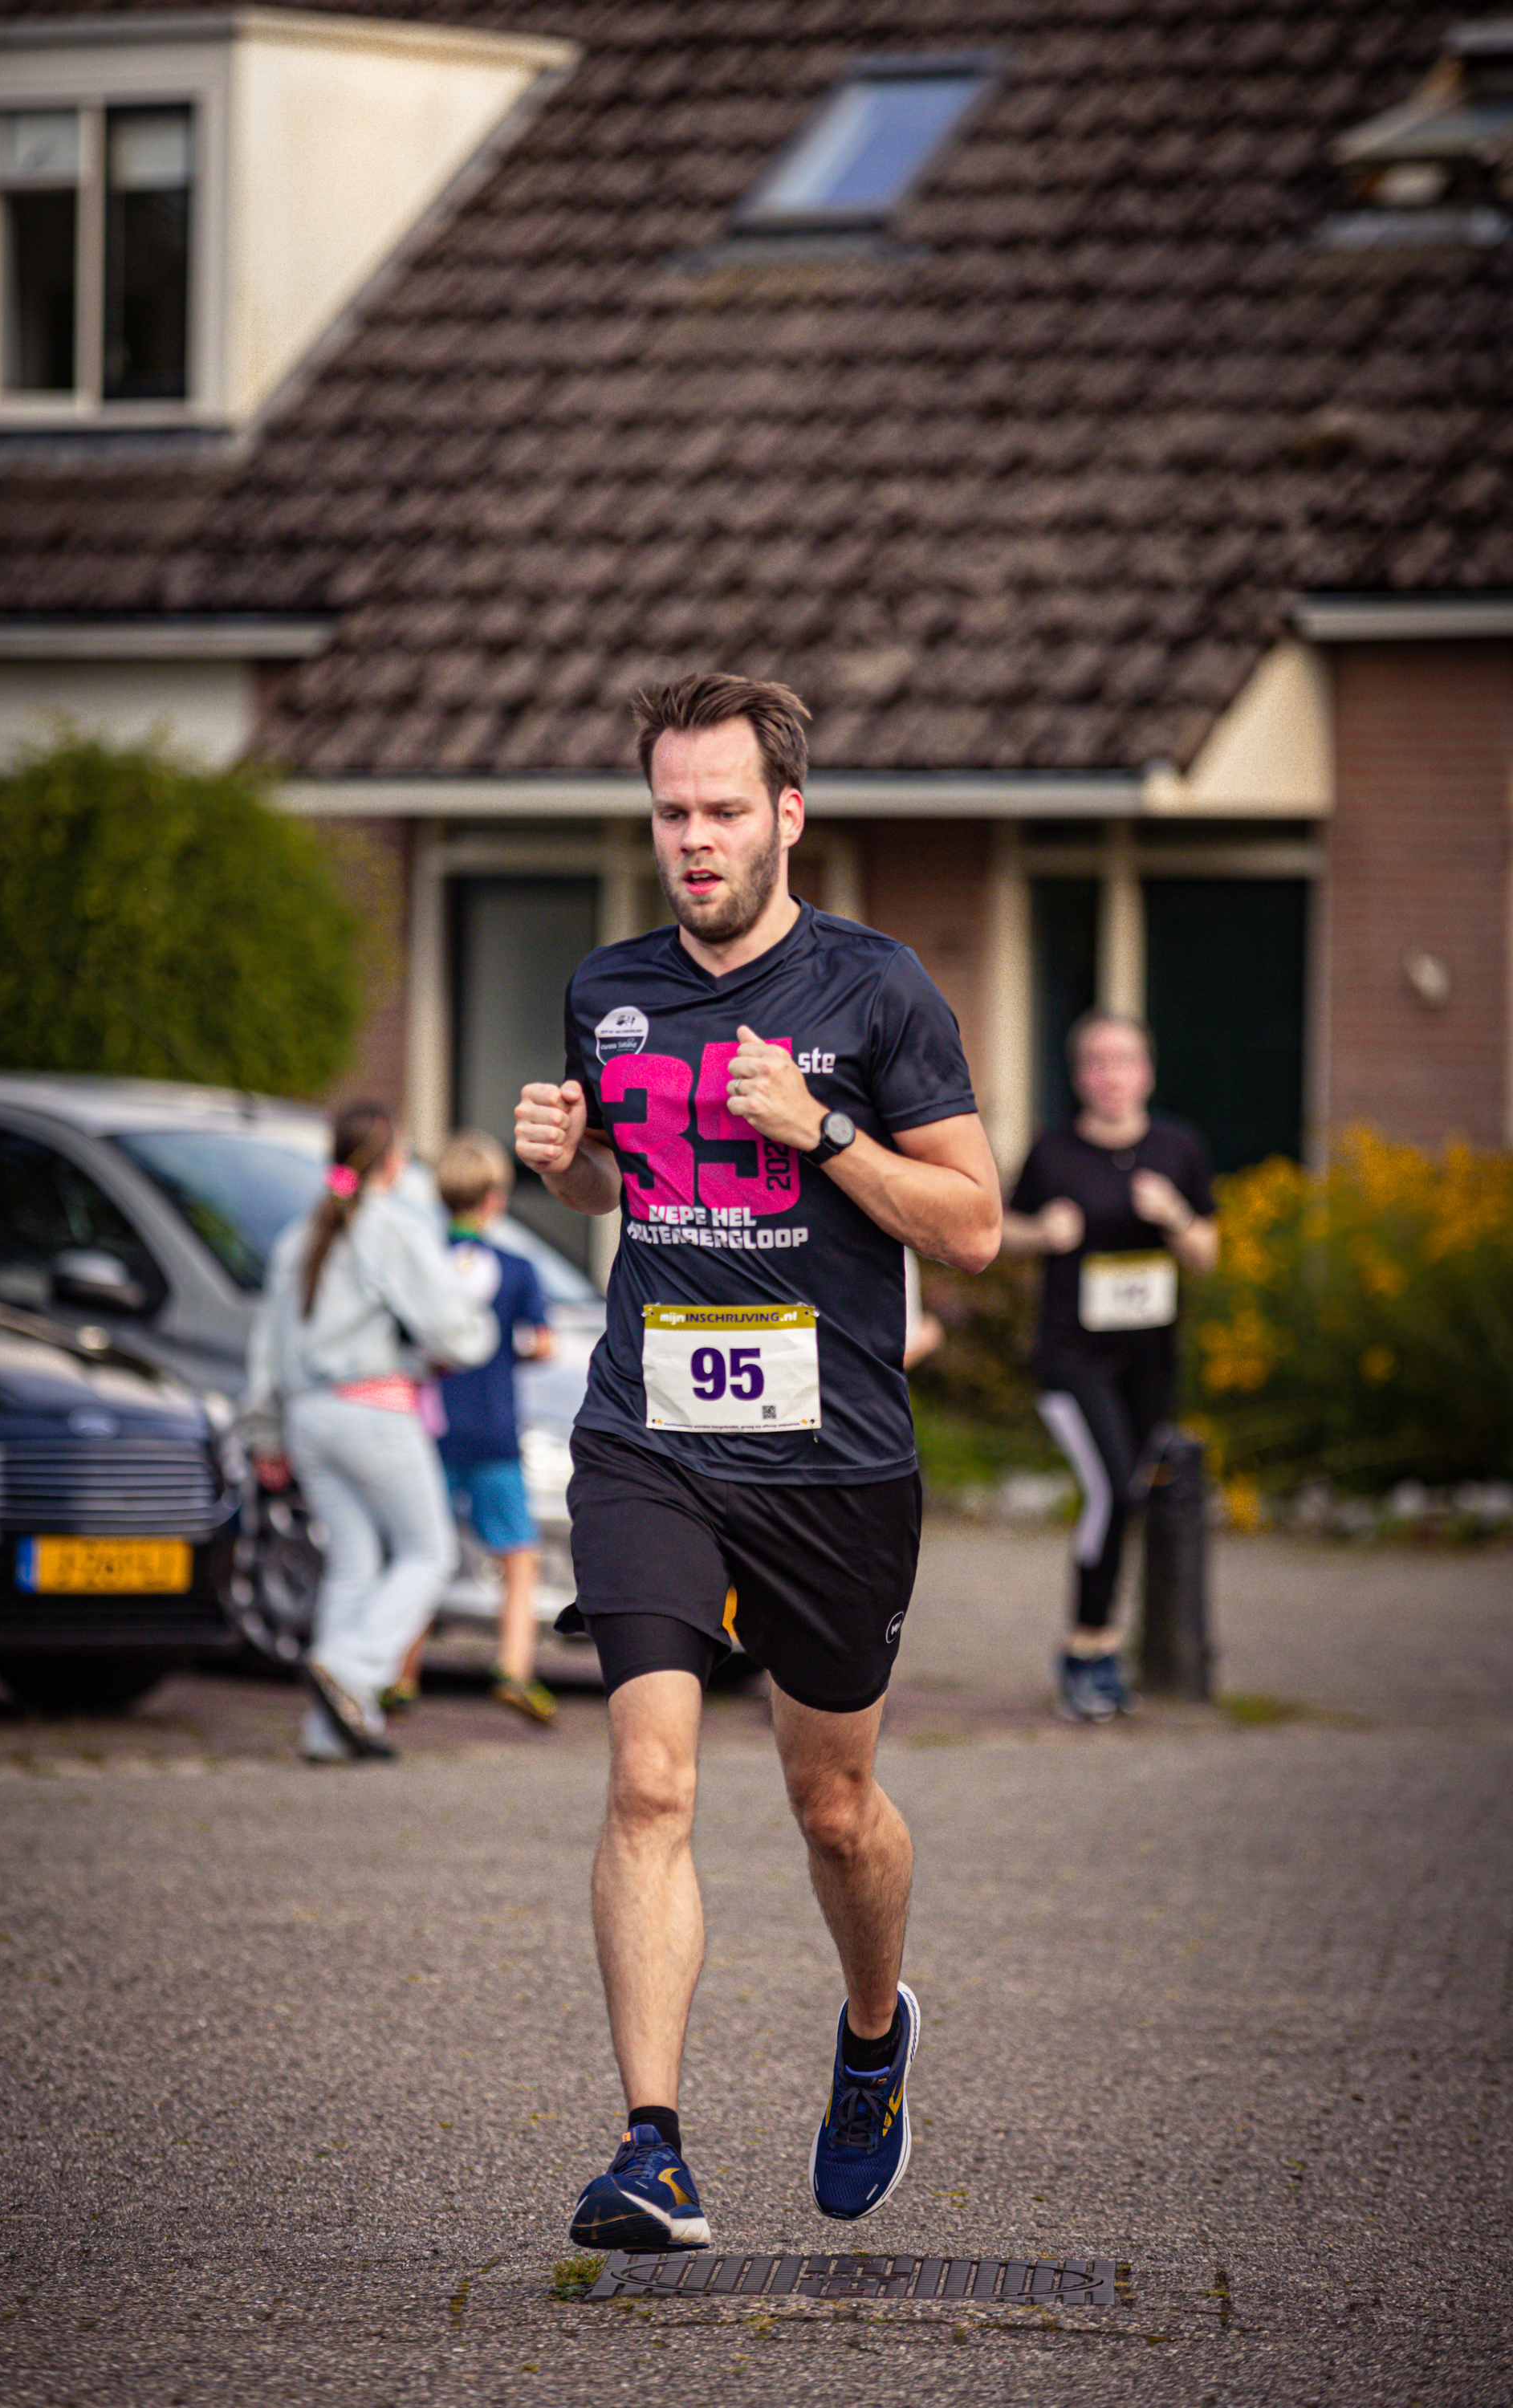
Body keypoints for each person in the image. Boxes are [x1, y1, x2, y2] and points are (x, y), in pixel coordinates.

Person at [514, 671, 1002, 2251]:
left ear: (788, 814)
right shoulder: (606, 984)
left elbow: (975, 1226)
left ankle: (873, 2039)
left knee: (832, 1807)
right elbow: (619, 1194)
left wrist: (826, 1135)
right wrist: (569, 1164)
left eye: (725, 810)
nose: (695, 840)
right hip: (649, 1433)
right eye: (671, 812)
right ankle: (650, 2146)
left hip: (831, 1456)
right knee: (649, 1775)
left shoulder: (877, 991)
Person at [244, 1101, 496, 1762]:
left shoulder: (301, 1235)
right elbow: (453, 1327)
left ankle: (329, 1732)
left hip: (307, 1419)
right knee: (429, 1553)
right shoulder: (393, 1227)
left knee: (354, 1562)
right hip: (374, 1412)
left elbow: (266, 1348)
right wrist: (469, 1342)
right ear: (392, 1160)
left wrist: (266, 1435)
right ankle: (353, 1671)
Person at [1001, 1013, 1218, 1723]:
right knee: (1110, 1493)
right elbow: (997, 1231)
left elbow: (1207, 1254)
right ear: (1078, 1076)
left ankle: (1106, 1652)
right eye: (1095, 1062)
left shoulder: (1178, 1147)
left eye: (1123, 1060)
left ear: (1146, 1072)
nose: (1110, 1074)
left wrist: (1177, 1216)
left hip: (1149, 1361)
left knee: (1129, 1491)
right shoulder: (1054, 1153)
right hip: (1073, 1359)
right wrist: (1042, 1232)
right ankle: (1083, 1653)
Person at [389, 1130, 558, 1727]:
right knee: (518, 1557)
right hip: (493, 1433)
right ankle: (514, 1668)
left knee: (419, 1552)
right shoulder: (516, 1268)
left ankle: (400, 1675)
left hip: (428, 1432)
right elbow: (541, 1343)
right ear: (496, 1198)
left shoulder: (422, 1262)